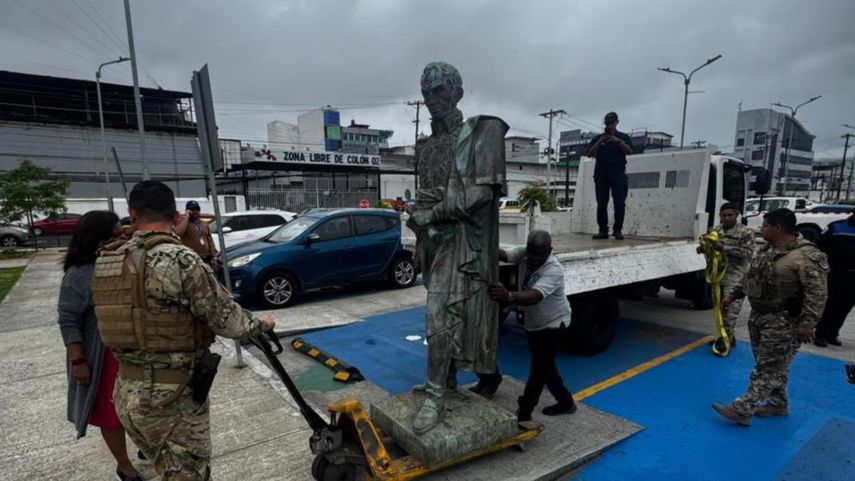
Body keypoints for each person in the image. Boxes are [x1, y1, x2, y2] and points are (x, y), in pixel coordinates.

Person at [91, 181, 276, 480]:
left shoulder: (108, 260)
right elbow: (227, 320)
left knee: (166, 471)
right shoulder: (180, 260)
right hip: (171, 399)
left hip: (126, 393)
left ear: (132, 215)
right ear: (176, 216)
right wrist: (262, 324)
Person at [406, 61, 507, 433]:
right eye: (426, 92)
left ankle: (435, 396)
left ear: (457, 93)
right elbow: (425, 193)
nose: (431, 99)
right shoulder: (426, 146)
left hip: (463, 240)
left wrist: (433, 213)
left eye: (439, 91)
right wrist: (420, 229)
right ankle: (446, 381)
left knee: (437, 314)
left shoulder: (480, 133)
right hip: (432, 240)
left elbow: (482, 193)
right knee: (445, 315)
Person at [713, 208, 828, 426]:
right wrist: (732, 295)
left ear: (778, 228)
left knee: (767, 367)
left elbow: (817, 294)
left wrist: (807, 324)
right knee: (771, 364)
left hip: (784, 320)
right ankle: (778, 403)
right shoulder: (767, 250)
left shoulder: (806, 256)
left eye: (765, 226)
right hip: (760, 316)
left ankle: (743, 409)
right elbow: (750, 277)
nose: (761, 229)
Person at [58, 210, 143, 481]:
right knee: (111, 414)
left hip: (131, 350)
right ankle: (124, 465)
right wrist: (78, 362)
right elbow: (68, 319)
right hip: (102, 357)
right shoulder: (80, 274)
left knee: (140, 407)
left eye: (123, 233)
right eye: (115, 235)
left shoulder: (128, 262)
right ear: (97, 239)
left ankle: (145, 445)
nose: (123, 238)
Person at [487, 230, 576, 422]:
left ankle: (524, 414)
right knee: (546, 367)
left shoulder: (553, 270)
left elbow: (534, 296)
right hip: (534, 324)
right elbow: (501, 254)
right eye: (531, 252)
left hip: (553, 325)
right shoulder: (525, 253)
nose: (534, 258)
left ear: (549, 250)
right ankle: (566, 402)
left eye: (539, 254)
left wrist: (508, 296)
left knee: (538, 371)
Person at [712, 202, 756, 352]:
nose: (727, 218)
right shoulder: (717, 230)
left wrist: (725, 248)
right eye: (724, 215)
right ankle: (724, 336)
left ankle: (726, 340)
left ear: (736, 215)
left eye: (730, 215)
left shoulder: (745, 232)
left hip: (736, 276)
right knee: (719, 310)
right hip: (719, 275)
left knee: (730, 310)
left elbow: (747, 253)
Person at [585, 111, 633, 240]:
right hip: (601, 175)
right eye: (607, 123)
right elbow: (589, 154)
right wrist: (600, 141)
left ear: (617, 123)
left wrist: (617, 141)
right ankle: (603, 230)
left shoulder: (623, 137)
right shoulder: (598, 138)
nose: (609, 125)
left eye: (611, 123)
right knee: (601, 203)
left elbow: (630, 151)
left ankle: (617, 230)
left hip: (618, 174)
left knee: (620, 203)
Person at [814, 211, 855, 347]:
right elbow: (819, 247)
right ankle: (821, 334)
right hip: (835, 274)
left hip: (853, 277)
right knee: (829, 304)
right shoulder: (836, 227)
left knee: (845, 306)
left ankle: (833, 333)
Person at [174, 200, 217, 268]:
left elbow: (210, 241)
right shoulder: (184, 223)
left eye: (197, 209)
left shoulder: (204, 224)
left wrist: (213, 257)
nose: (195, 211)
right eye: (192, 209)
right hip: (192, 260)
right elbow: (177, 234)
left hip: (206, 259)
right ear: (187, 210)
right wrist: (187, 217)